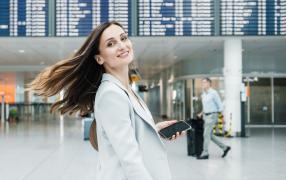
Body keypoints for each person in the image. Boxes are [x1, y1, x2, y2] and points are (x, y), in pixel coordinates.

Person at [28, 21, 184, 180]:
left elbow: (126, 138)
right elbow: (130, 160)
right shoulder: (111, 94)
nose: (122, 45)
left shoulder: (125, 89)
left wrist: (154, 131)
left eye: (123, 38)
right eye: (111, 44)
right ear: (99, 58)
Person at [197, 78, 231, 160]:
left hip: (212, 116)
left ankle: (205, 153)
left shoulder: (213, 93)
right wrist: (201, 113)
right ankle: (225, 147)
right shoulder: (204, 94)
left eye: (204, 82)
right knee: (210, 135)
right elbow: (206, 106)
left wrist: (223, 118)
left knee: (206, 134)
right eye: (202, 82)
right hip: (206, 116)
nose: (203, 84)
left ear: (209, 83)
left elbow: (220, 106)